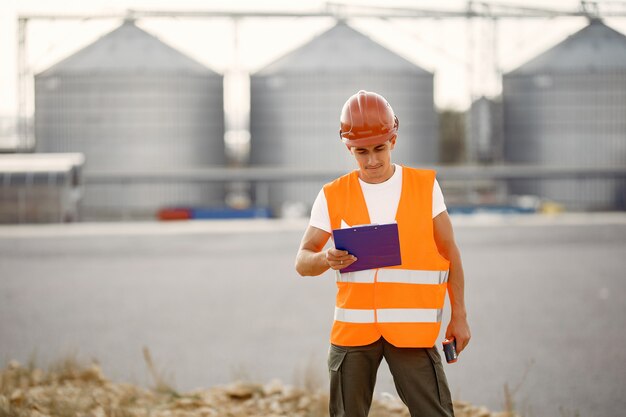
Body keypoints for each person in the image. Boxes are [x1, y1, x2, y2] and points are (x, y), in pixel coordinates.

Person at [295, 90, 471, 417]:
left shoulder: (424, 187)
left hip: (411, 332)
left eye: (380, 148)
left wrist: (459, 316)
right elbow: (302, 261)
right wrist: (325, 259)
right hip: (353, 334)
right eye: (361, 151)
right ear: (348, 147)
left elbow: (451, 254)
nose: (372, 160)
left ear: (394, 138)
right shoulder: (332, 195)